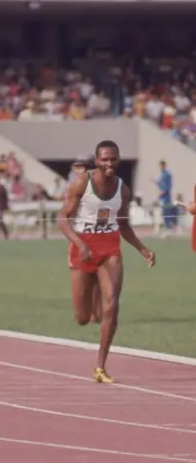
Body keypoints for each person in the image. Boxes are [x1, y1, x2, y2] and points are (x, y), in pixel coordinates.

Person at [58, 140, 155, 384]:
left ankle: (100, 367)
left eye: (113, 159)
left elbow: (123, 225)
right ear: (97, 161)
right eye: (104, 159)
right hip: (83, 249)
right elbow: (62, 219)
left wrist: (142, 249)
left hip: (110, 249)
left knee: (112, 304)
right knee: (83, 317)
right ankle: (92, 291)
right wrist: (80, 245)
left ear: (119, 159)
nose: (109, 163)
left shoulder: (123, 189)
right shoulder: (82, 182)